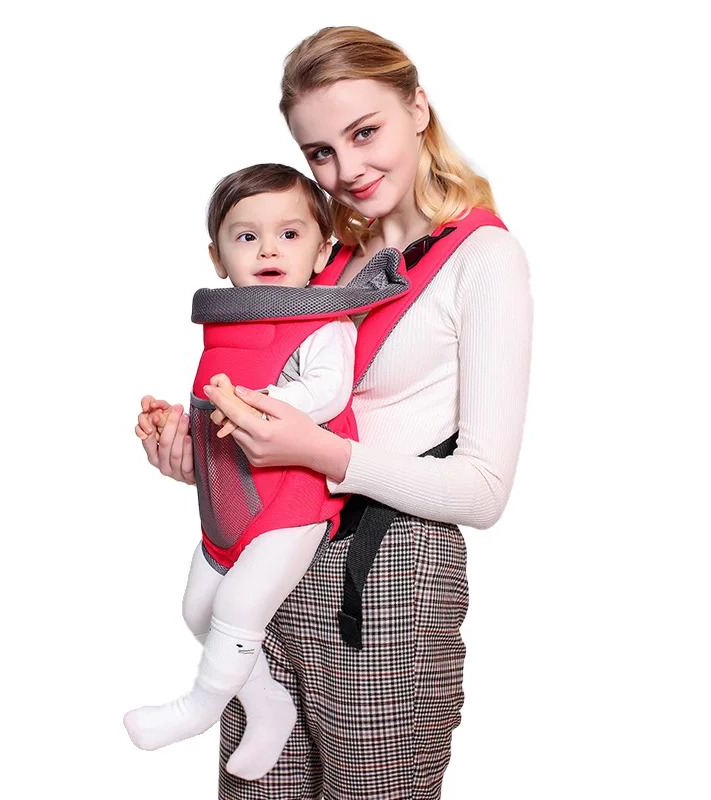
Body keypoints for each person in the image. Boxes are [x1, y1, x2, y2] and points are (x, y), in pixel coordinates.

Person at [138, 26, 533, 799]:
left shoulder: (485, 260)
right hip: (275, 557)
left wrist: (317, 452)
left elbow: (485, 491)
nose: (346, 170)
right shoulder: (324, 257)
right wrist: (197, 452)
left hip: (386, 577)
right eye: (320, 151)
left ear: (417, 108)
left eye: (364, 132)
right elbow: (280, 424)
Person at [127, 163, 392, 776]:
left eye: (289, 235)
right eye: (247, 237)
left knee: (241, 602)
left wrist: (259, 402)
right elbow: (212, 413)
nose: (269, 249)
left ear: (322, 251)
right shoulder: (225, 328)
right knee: (197, 611)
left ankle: (200, 707)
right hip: (228, 501)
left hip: (293, 504)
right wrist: (176, 429)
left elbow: (327, 391)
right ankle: (267, 702)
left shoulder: (323, 322)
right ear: (217, 258)